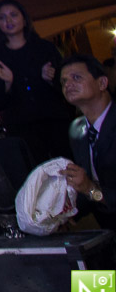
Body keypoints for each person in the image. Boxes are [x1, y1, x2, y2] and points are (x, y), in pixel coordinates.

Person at [0, 0, 73, 165]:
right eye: (2, 17)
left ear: (24, 19)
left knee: (67, 169)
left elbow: (67, 87)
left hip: (54, 121)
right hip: (21, 128)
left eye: (13, 15)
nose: (8, 21)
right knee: (36, 176)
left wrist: (50, 79)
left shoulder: (45, 48)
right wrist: (8, 84)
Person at [60, 55, 116, 229]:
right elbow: (88, 186)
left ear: (102, 83)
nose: (68, 84)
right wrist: (63, 216)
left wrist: (89, 189)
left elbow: (90, 189)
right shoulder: (77, 130)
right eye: (63, 81)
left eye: (76, 77)